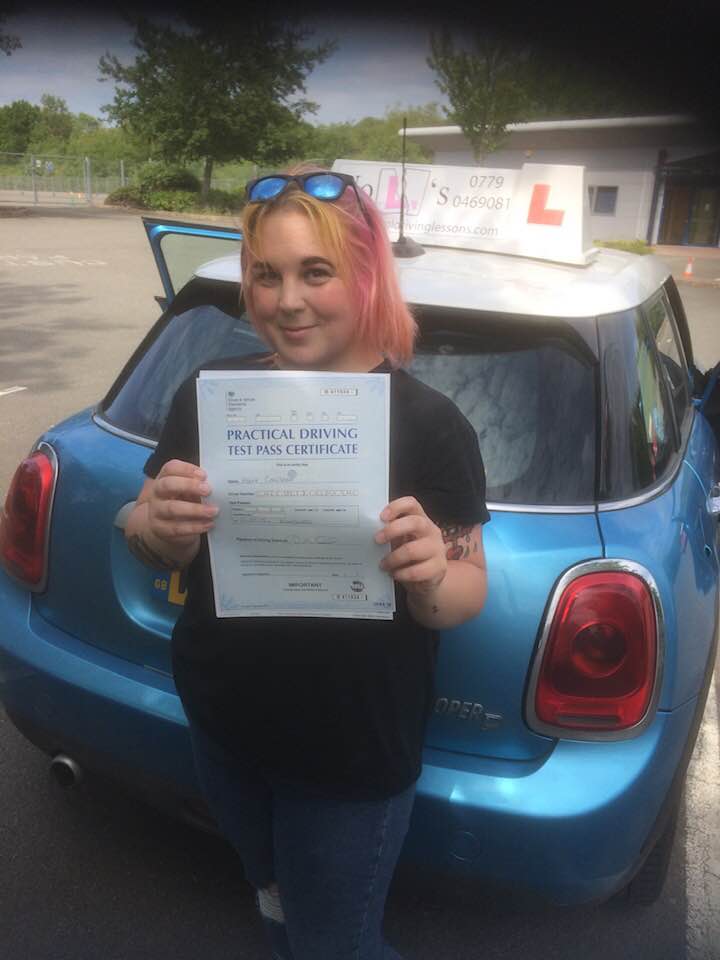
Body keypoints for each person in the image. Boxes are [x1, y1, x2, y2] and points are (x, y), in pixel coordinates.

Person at [124, 167, 490, 960]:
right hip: (225, 725)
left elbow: (467, 591)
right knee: (272, 894)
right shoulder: (211, 396)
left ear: (366, 276)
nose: (286, 301)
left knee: (335, 943)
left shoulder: (431, 425)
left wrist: (432, 572)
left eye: (315, 272)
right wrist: (154, 525)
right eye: (266, 275)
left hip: (348, 756)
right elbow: (143, 526)